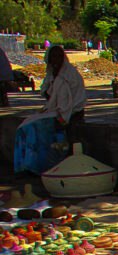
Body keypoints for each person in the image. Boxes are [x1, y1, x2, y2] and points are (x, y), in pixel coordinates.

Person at [13, 46, 86, 175]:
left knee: (32, 129)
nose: (55, 60)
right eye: (53, 57)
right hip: (55, 110)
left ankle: (37, 166)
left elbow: (67, 102)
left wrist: (62, 117)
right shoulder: (52, 74)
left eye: (58, 56)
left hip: (70, 111)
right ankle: (24, 166)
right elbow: (48, 94)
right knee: (23, 127)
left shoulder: (67, 75)